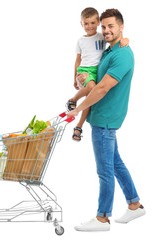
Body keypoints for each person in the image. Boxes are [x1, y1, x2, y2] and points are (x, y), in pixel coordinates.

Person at [67, 9, 146, 232]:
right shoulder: (110, 49)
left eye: (111, 26)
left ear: (122, 27)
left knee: (104, 171)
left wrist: (78, 109)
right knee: (115, 164)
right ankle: (134, 204)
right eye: (104, 27)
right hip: (102, 116)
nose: (106, 30)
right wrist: (83, 78)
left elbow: (102, 88)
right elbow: (94, 74)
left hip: (105, 119)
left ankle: (102, 218)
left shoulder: (122, 53)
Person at [67, 7, 128, 142]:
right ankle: (73, 100)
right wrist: (75, 78)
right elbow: (77, 60)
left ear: (98, 23)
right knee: (92, 90)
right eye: (86, 23)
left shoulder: (102, 37)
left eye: (93, 23)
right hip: (85, 70)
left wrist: (126, 39)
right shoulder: (81, 41)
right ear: (81, 24)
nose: (89, 26)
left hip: (96, 70)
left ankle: (79, 126)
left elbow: (116, 39)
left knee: (92, 97)